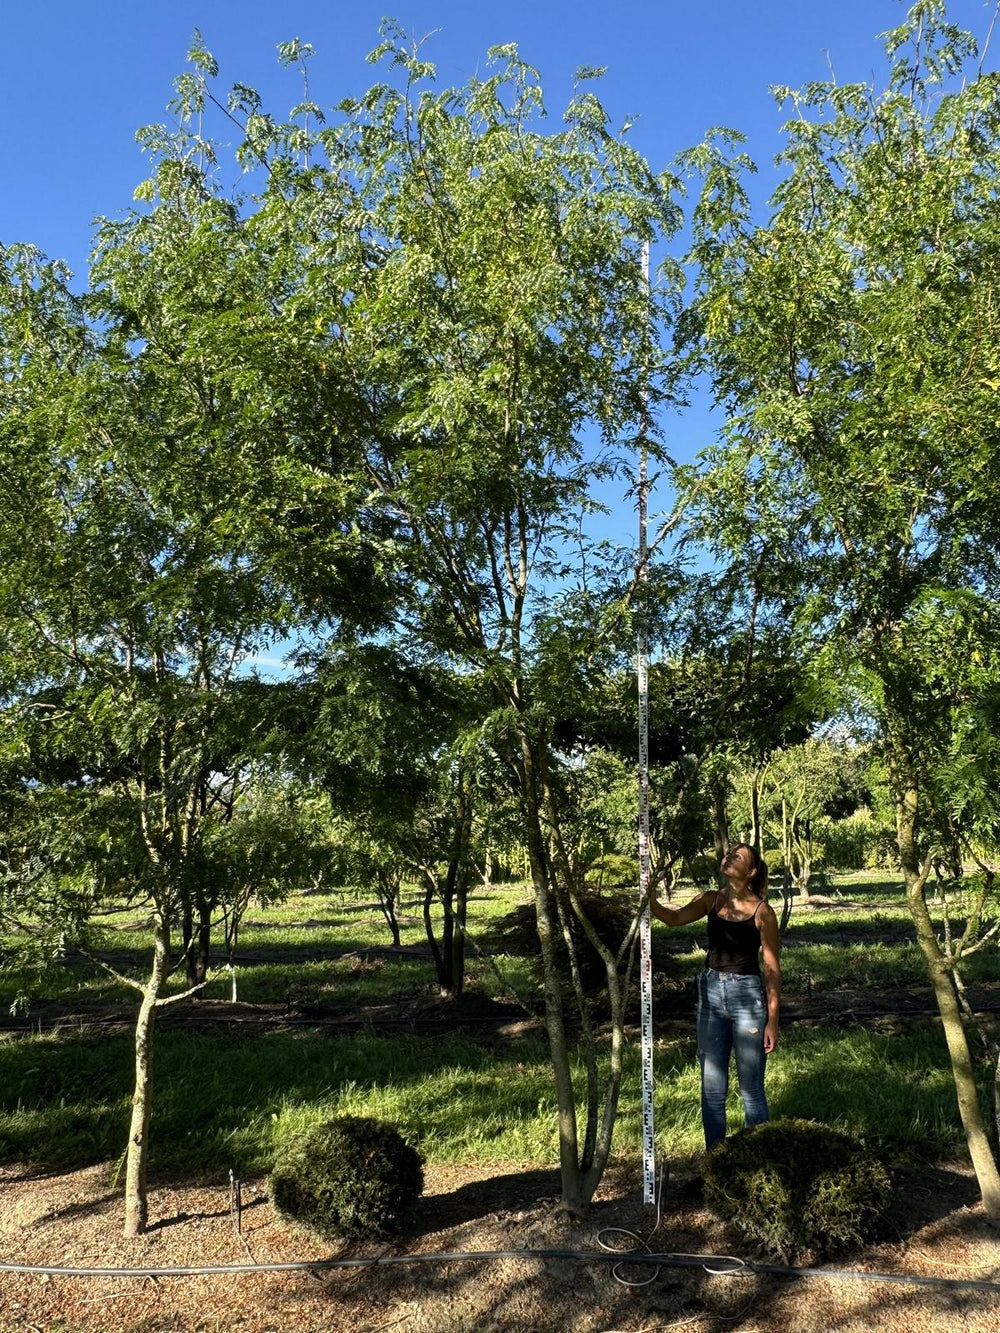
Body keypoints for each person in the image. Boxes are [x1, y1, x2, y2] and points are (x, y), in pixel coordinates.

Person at [649, 844, 781, 1150]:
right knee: (711, 1090)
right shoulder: (711, 900)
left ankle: (758, 1162)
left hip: (747, 997)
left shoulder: (763, 913)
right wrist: (649, 898)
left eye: (737, 856)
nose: (727, 858)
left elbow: (772, 969)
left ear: (750, 872)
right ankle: (715, 1162)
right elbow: (672, 919)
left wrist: (772, 1020)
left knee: (751, 1089)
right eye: (727, 854)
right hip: (710, 994)